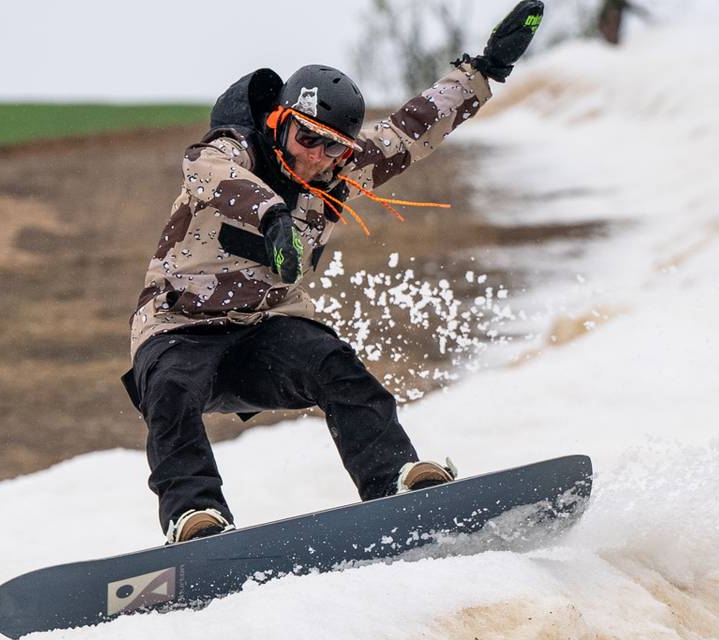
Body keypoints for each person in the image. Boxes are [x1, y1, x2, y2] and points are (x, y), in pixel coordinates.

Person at [122, 1, 546, 545]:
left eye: (334, 147)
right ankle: (196, 519)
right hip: (177, 325)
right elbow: (205, 168)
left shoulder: (339, 172)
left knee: (335, 364)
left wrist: (484, 71)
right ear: (280, 123)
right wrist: (270, 213)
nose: (318, 157)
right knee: (172, 389)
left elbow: (412, 129)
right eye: (307, 138)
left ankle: (393, 480)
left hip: (263, 329)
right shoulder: (235, 150)